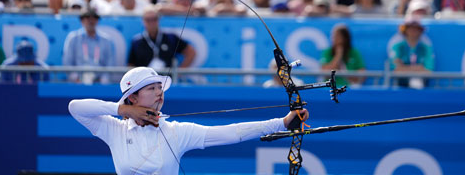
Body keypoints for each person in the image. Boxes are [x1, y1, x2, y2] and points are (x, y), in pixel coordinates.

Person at [68, 67, 308, 174]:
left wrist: (284, 122)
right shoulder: (114, 129)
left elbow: (232, 133)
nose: (160, 93)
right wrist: (122, 110)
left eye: (160, 88)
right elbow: (75, 107)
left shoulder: (177, 132)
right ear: (133, 97)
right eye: (151, 88)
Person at [128, 7, 195, 70]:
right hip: (146, 81)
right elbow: (131, 64)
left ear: (158, 20)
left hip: (167, 79)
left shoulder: (171, 37)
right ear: (143, 21)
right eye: (148, 20)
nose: (151, 23)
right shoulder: (137, 41)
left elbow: (191, 52)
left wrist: (179, 73)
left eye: (154, 19)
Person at [62, 9, 115, 84]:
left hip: (99, 82)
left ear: (97, 21)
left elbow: (110, 64)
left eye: (94, 18)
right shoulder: (73, 38)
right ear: (82, 21)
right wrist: (76, 78)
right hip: (77, 82)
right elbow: (67, 62)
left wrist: (104, 80)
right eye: (87, 18)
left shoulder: (106, 40)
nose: (91, 21)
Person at [389, 17, 435, 89]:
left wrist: (404, 68)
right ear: (405, 30)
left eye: (416, 28)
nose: (413, 31)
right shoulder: (398, 46)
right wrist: (418, 68)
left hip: (422, 86)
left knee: (417, 83)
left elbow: (429, 71)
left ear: (420, 30)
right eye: (410, 28)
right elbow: (396, 71)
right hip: (400, 86)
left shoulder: (425, 47)